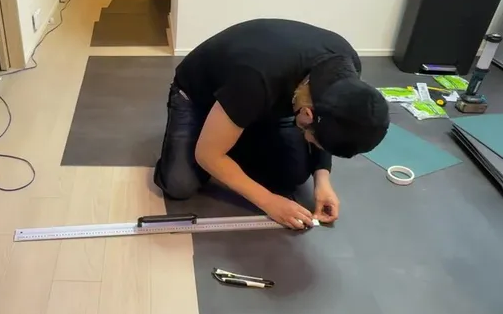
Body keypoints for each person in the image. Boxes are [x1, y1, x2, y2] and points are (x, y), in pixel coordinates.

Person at [154, 19, 390, 230]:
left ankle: (231, 130)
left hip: (263, 100)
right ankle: (222, 130)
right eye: (311, 136)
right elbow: (207, 155)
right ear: (307, 114)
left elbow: (329, 120)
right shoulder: (255, 78)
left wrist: (322, 180)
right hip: (198, 95)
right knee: (179, 184)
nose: (310, 139)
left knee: (292, 175)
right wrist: (269, 202)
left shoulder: (347, 71)